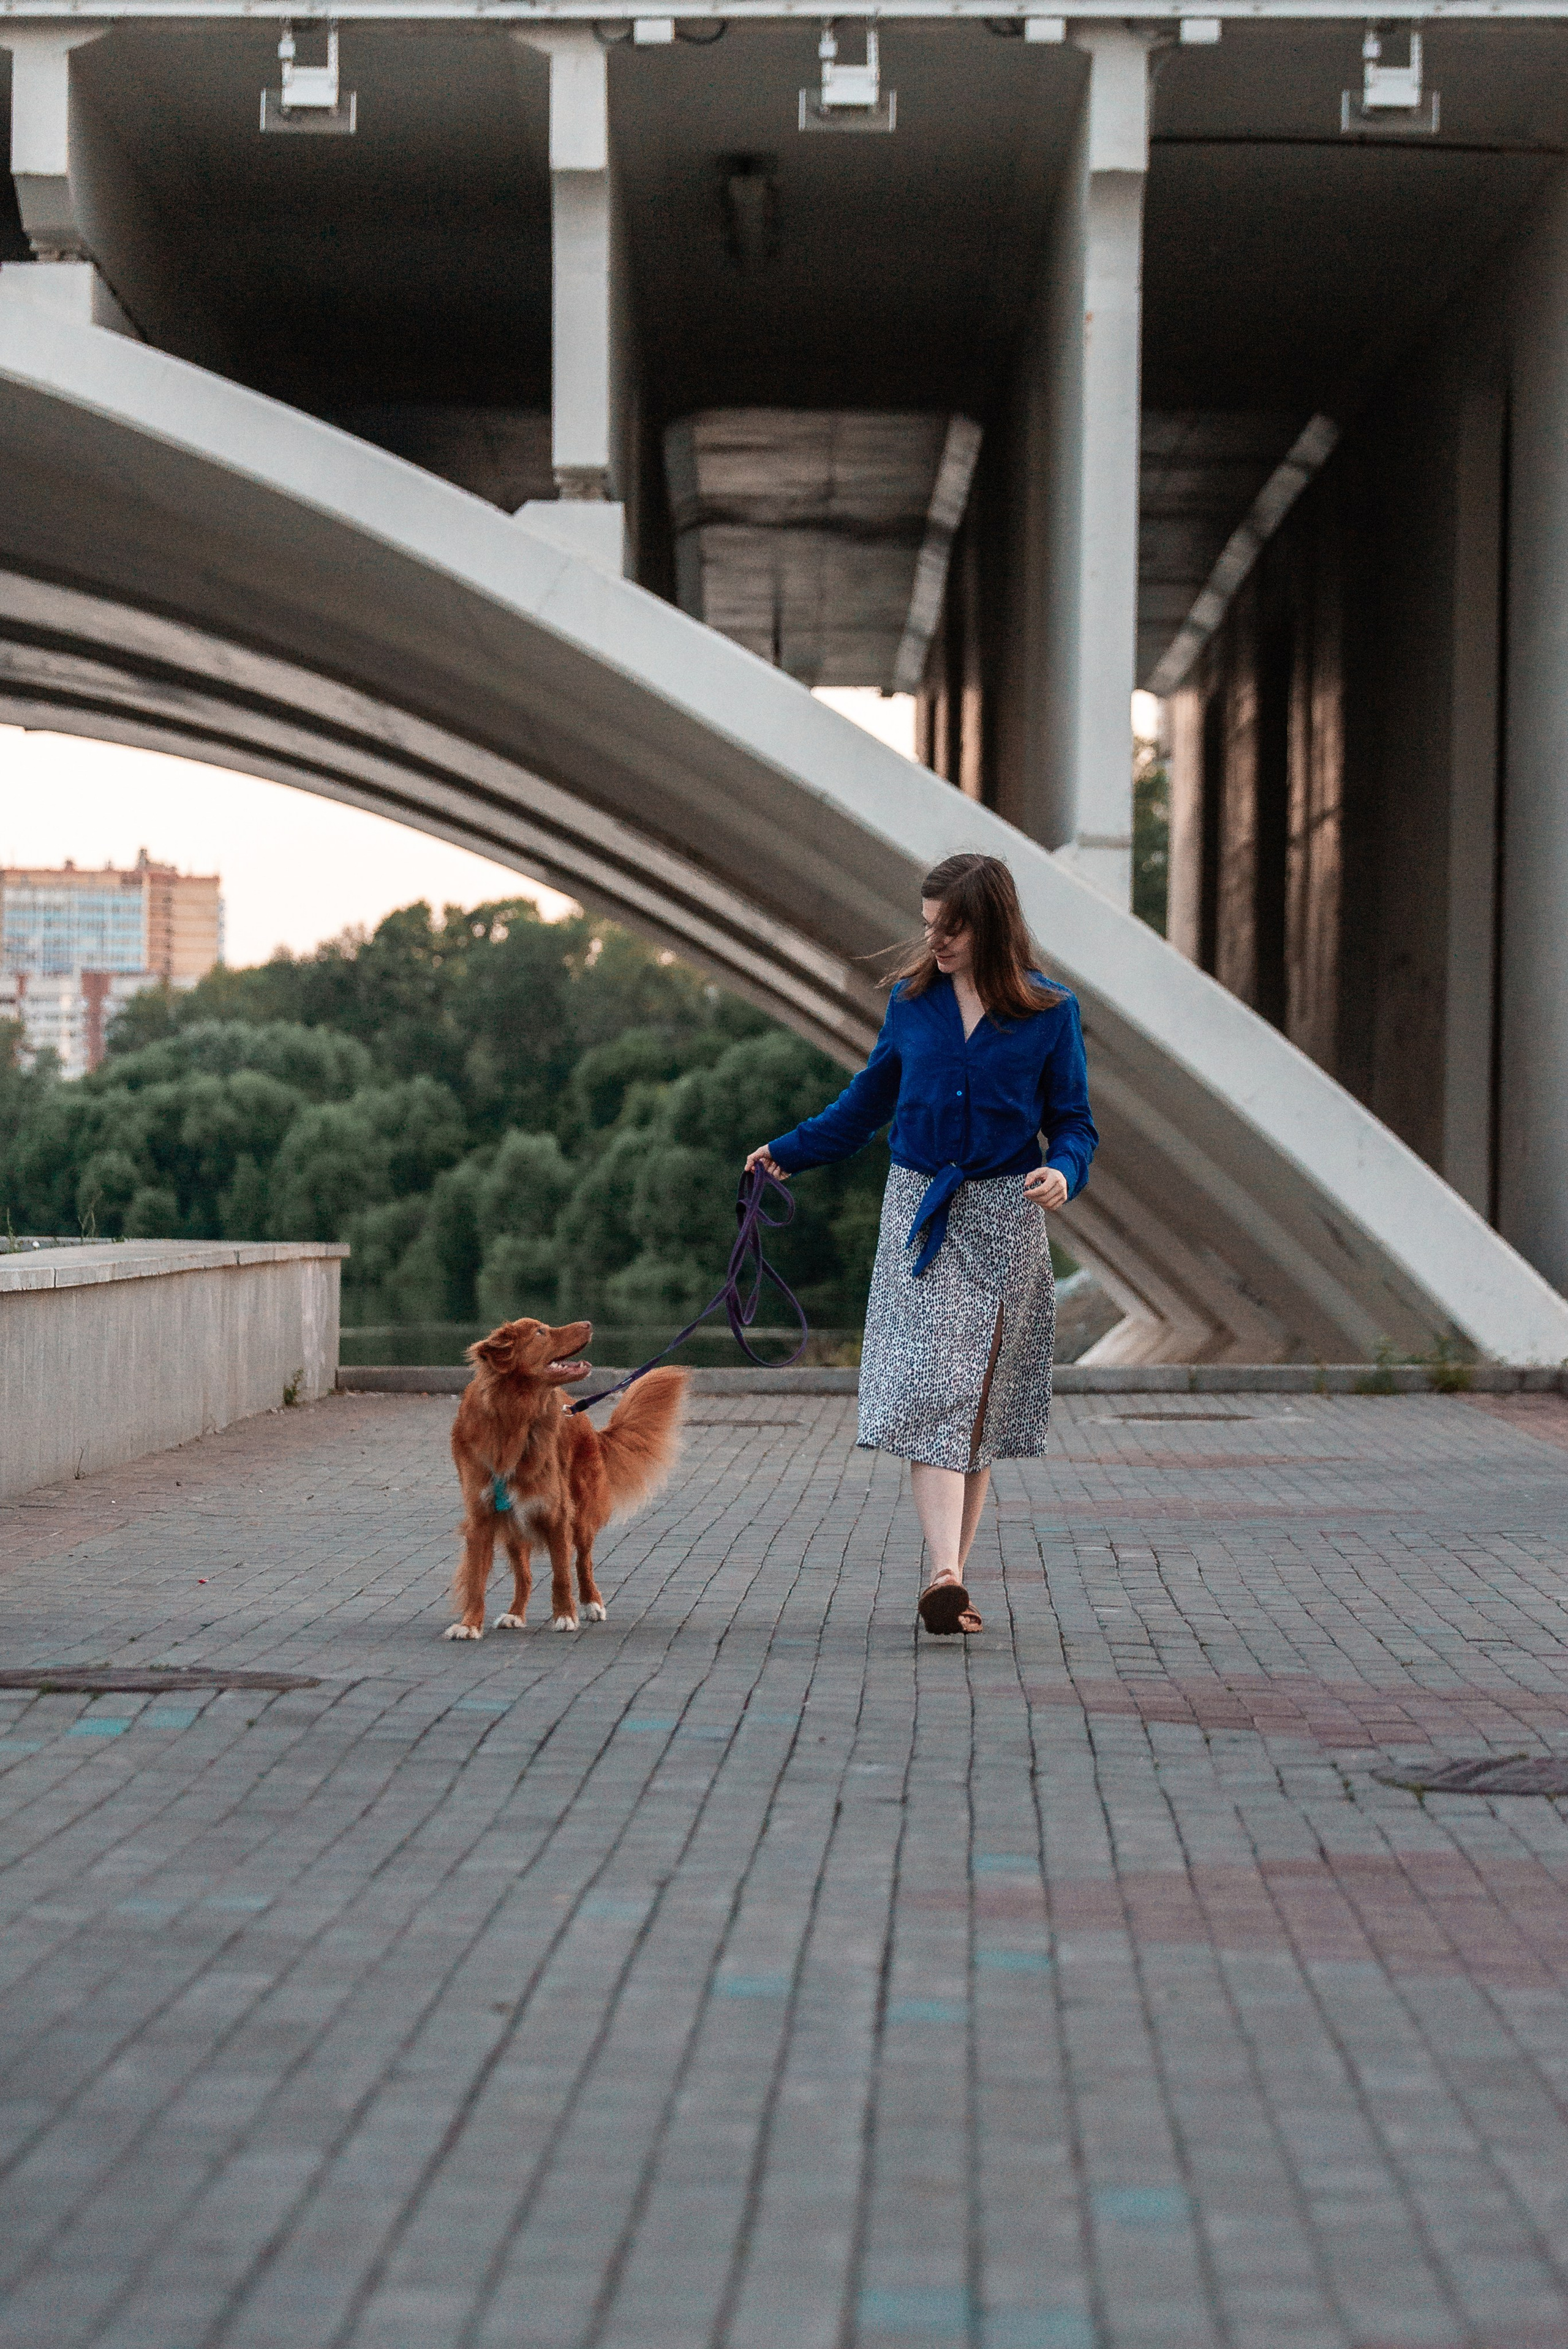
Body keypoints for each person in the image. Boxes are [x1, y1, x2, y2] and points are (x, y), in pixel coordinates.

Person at [745, 851, 1097, 1637]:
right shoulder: (914, 1004)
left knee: (976, 1404)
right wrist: (788, 1151)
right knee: (934, 1382)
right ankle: (942, 1571)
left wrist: (1062, 1173)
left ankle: (952, 1580)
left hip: (1007, 1213)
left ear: (992, 923)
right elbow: (865, 1102)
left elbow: (1074, 1120)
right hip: (922, 1210)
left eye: (952, 926)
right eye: (929, 923)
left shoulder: (1050, 1011)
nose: (934, 939)